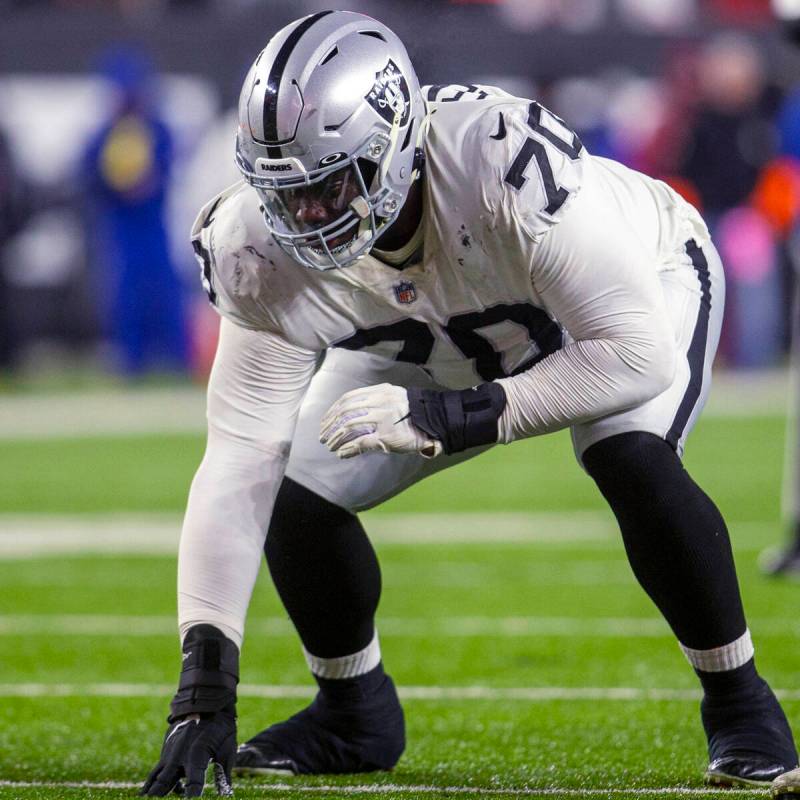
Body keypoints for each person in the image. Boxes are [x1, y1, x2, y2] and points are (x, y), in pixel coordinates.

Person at [140, 11, 798, 797]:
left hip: (624, 300)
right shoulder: (258, 249)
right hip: (440, 339)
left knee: (627, 453)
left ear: (391, 148)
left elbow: (633, 353)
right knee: (294, 494)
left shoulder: (498, 164)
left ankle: (740, 702)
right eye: (287, 193)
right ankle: (353, 713)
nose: (307, 218)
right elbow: (239, 455)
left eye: (327, 186)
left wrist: (453, 416)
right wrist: (204, 685)